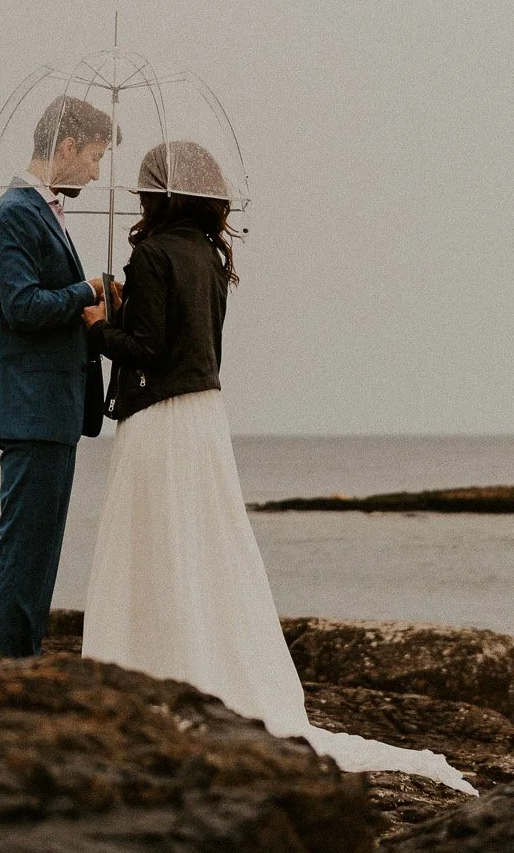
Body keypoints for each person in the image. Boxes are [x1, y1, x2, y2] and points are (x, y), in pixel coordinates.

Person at [81, 140, 474, 791]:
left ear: (156, 195)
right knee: (202, 545)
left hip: (159, 419)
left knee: (151, 544)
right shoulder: (209, 257)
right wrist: (127, 312)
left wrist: (97, 322)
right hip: (204, 416)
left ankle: (146, 665)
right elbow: (184, 342)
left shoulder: (150, 255)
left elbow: (145, 350)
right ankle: (201, 666)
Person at [0, 94, 120, 657]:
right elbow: (21, 306)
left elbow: (44, 306)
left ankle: (20, 661)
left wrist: (95, 313)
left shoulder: (40, 211)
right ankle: (8, 670)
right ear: (64, 147)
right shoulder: (15, 212)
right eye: (94, 156)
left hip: (49, 409)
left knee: (39, 551)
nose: (96, 170)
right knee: (25, 550)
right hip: (31, 407)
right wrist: (87, 291)